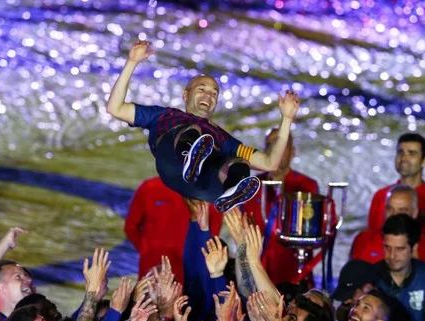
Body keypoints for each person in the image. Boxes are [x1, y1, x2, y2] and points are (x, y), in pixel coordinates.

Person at [106, 41, 300, 212]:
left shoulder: (223, 137)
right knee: (192, 130)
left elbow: (269, 163)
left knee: (239, 164)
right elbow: (115, 108)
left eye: (214, 93)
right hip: (172, 166)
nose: (208, 95)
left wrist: (287, 119)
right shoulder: (163, 115)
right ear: (185, 95)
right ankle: (189, 158)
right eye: (202, 90)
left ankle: (231, 192)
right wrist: (131, 63)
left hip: (206, 186)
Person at [242, 128, 321, 285]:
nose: (275, 149)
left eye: (282, 144)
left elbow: (311, 234)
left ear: (293, 152)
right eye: (270, 144)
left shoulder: (306, 186)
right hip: (258, 274)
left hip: (294, 274)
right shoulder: (251, 186)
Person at [124, 176, 222, 283]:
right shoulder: (150, 187)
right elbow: (131, 227)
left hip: (184, 272)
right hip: (161, 267)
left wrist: (147, 250)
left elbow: (211, 238)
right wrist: (146, 251)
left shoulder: (211, 195)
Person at [368, 133, 425, 241]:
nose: (404, 158)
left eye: (412, 154)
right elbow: (372, 240)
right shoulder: (380, 196)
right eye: (400, 152)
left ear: (424, 161)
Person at [331, 260, 414, 321]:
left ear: (367, 288)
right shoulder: (351, 312)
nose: (346, 301)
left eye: (350, 295)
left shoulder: (394, 316)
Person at [351, 184, 425, 266]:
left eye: (402, 210)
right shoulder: (363, 240)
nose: (394, 215)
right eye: (390, 209)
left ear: (415, 213)